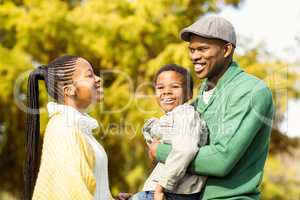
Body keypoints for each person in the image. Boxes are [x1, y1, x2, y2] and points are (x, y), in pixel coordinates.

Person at [148, 16, 275, 200]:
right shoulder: (200, 98)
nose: (194, 56)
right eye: (192, 50)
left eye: (203, 49)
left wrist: (159, 152)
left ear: (226, 49)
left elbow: (221, 160)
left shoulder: (251, 91)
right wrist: (147, 193)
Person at [24, 55, 114, 200]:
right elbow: (72, 193)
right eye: (90, 75)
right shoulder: (62, 128)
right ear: (69, 90)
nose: (98, 79)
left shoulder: (78, 128)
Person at [131, 64, 208, 200]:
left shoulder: (185, 115)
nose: (166, 91)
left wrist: (160, 189)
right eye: (160, 87)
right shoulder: (172, 117)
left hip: (174, 192)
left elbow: (185, 150)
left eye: (175, 87)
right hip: (168, 191)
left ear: (189, 94)